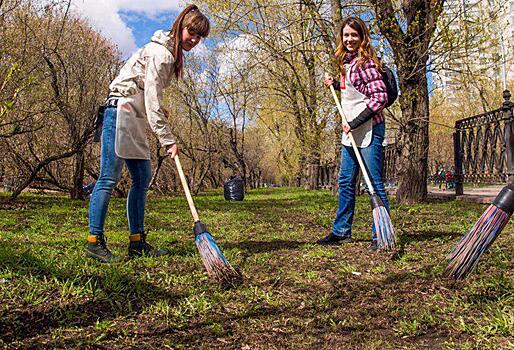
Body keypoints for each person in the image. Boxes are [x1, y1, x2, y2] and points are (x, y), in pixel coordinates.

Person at [86, 5, 210, 262]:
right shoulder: (161, 54)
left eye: (200, 37)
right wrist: (168, 140)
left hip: (133, 114)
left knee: (142, 177)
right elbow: (150, 98)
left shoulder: (168, 53)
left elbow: (147, 94)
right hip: (119, 113)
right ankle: (94, 242)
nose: (195, 40)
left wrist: (158, 110)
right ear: (180, 27)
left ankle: (137, 242)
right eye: (192, 33)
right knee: (108, 178)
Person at [316, 17, 390, 251]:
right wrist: (336, 85)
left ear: (362, 37)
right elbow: (355, 89)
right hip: (351, 132)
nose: (349, 39)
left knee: (373, 184)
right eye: (346, 35)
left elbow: (380, 98)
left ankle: (381, 234)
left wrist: (355, 122)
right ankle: (341, 232)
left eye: (354, 35)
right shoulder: (347, 63)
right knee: (346, 182)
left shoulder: (367, 63)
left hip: (369, 129)